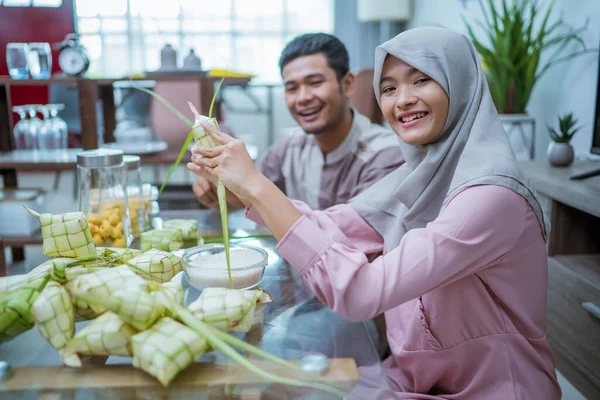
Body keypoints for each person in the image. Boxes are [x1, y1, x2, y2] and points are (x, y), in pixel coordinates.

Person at [188, 26, 562, 399]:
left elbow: (362, 292)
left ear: (460, 82)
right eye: (388, 88)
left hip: (490, 390)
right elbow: (336, 225)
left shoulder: (491, 195)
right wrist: (246, 190)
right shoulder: (420, 171)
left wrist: (257, 186)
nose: (402, 100)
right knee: (266, 387)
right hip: (411, 377)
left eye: (422, 80)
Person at [192, 32, 404, 211]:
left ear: (347, 84)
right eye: (292, 88)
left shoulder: (385, 156)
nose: (303, 98)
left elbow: (352, 236)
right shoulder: (290, 146)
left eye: (315, 82)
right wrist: (216, 184)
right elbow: (250, 199)